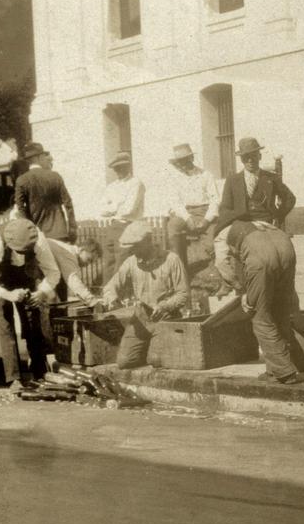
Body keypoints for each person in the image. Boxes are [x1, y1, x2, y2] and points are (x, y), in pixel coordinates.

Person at [0, 218, 61, 389]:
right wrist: (7, 294)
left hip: (25, 276)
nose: (21, 255)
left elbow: (53, 273)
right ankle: (14, 378)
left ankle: (40, 373)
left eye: (25, 252)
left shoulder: (38, 239)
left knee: (33, 323)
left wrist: (42, 292)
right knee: (6, 325)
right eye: (18, 252)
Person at [101, 221, 189, 370]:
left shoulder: (171, 259)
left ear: (148, 240)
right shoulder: (131, 262)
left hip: (166, 317)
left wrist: (164, 306)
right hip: (141, 318)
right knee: (124, 362)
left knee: (155, 360)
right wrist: (111, 297)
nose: (133, 251)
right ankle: (149, 346)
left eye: (136, 246)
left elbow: (183, 293)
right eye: (131, 247)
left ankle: (158, 347)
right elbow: (111, 286)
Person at [213, 137, 296, 292]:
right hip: (239, 223)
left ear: (260, 156)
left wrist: (278, 215)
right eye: (245, 157)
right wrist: (230, 223)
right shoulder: (233, 180)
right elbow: (225, 207)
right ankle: (236, 284)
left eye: (253, 156)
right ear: (241, 160)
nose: (250, 160)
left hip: (264, 222)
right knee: (220, 257)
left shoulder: (270, 178)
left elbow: (290, 198)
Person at [226, 220, 301, 385]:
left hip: (260, 257)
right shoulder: (259, 222)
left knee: (260, 316)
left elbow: (226, 263)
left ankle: (284, 371)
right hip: (285, 245)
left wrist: (242, 291)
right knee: (281, 310)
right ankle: (273, 370)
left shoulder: (224, 234)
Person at [164, 143, 221, 273]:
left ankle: (221, 276)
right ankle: (180, 271)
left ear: (192, 158)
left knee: (213, 242)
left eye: (185, 160)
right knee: (173, 228)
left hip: (205, 212)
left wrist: (206, 220)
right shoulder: (175, 178)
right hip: (185, 213)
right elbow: (175, 202)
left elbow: (215, 200)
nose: (182, 164)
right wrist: (188, 218)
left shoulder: (206, 175)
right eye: (179, 161)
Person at [14, 142, 78, 242]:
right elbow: (68, 203)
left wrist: (29, 231)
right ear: (38, 158)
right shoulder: (55, 176)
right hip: (59, 232)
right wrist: (72, 227)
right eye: (43, 156)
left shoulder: (21, 180)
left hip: (37, 235)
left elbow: (21, 209)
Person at [48, 237, 103, 303]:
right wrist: (92, 301)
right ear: (81, 250)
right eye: (89, 260)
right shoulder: (69, 254)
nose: (88, 264)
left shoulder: (70, 252)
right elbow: (73, 281)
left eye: (91, 262)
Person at [99, 151, 145, 221]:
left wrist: (112, 207)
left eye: (122, 167)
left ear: (128, 167)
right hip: (114, 225)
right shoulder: (111, 187)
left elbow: (129, 210)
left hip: (132, 225)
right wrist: (119, 206)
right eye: (116, 168)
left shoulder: (136, 183)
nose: (119, 170)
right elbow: (101, 209)